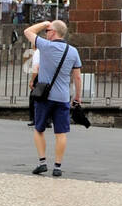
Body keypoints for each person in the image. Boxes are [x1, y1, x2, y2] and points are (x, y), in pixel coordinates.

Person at [23, 18, 83, 177]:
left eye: (47, 31)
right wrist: (77, 97)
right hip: (63, 97)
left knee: (39, 129)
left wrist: (44, 23)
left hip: (44, 97)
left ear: (53, 32)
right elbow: (77, 78)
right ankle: (57, 166)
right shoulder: (73, 51)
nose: (46, 33)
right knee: (61, 133)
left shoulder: (45, 45)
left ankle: (42, 162)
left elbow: (27, 32)